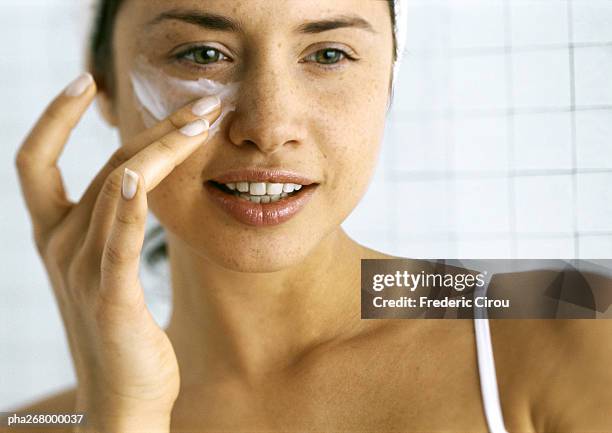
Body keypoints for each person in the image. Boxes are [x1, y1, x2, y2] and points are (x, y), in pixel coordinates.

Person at [9, 1, 612, 432]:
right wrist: (120, 419)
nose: (269, 128)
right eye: (203, 54)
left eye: (328, 54)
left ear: (389, 78)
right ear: (105, 83)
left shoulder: (581, 327)